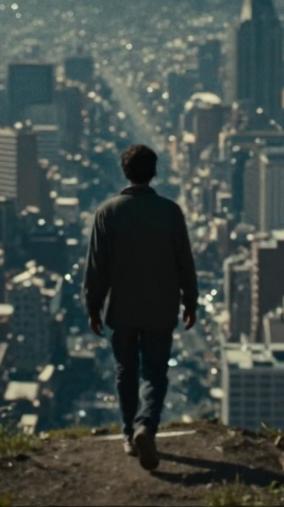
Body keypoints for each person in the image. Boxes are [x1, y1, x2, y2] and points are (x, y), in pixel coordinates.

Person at [82, 143, 198, 472]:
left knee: (126, 371)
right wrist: (190, 301)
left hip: (122, 307)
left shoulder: (107, 212)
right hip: (161, 306)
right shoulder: (170, 212)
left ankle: (129, 434)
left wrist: (92, 306)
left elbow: (96, 267)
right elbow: (184, 262)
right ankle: (146, 425)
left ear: (125, 172)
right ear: (154, 172)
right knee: (155, 372)